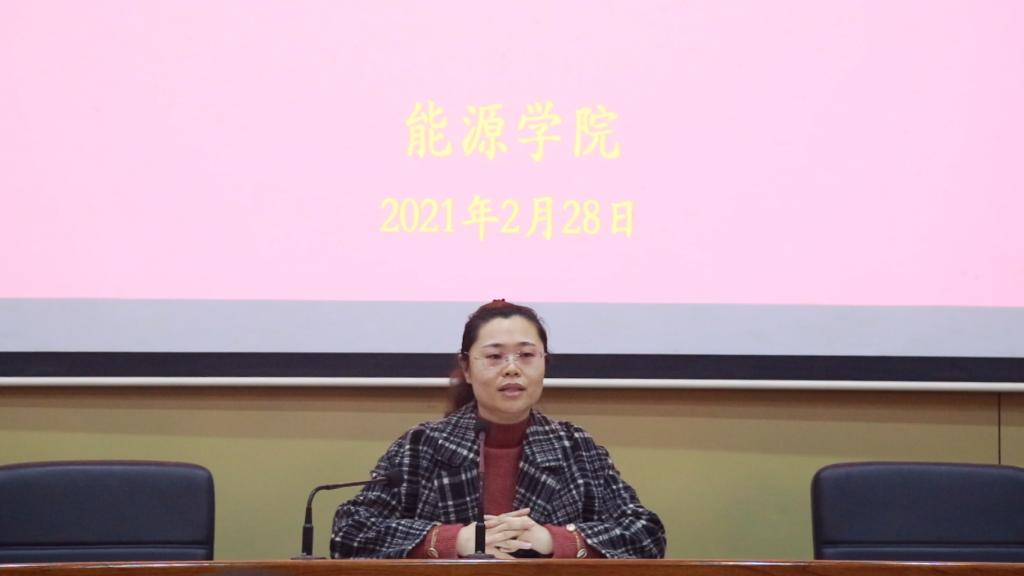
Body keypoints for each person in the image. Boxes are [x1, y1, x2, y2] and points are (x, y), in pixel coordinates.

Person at [331, 300, 666, 559]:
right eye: (494, 357)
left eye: (526, 355)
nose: (511, 369)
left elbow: (646, 535)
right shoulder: (422, 445)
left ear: (545, 364)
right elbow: (350, 533)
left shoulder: (575, 446)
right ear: (466, 368)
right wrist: (452, 540)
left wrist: (555, 540)